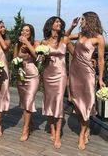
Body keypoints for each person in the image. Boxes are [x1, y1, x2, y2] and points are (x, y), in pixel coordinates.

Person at [68, 11, 105, 150]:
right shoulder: (79, 35)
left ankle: (82, 134)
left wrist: (100, 78)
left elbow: (101, 60)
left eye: (82, 19)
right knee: (77, 105)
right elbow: (65, 38)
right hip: (75, 72)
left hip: (88, 73)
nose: (81, 21)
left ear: (89, 20)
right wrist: (72, 26)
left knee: (87, 104)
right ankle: (86, 127)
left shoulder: (99, 38)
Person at [41, 16, 73, 149]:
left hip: (61, 75)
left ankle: (58, 134)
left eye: (60, 22)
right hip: (48, 74)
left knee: (59, 103)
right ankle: (52, 128)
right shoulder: (43, 42)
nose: (59, 23)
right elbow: (41, 62)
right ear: (50, 25)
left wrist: (89, 61)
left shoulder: (65, 39)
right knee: (49, 102)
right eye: (56, 22)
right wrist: (41, 57)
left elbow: (76, 55)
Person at [13, 23, 39, 141]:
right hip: (21, 75)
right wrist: (17, 64)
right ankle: (30, 123)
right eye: (23, 30)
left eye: (27, 31)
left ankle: (25, 129)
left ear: (31, 33)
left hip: (32, 74)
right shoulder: (17, 45)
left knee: (29, 100)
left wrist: (28, 44)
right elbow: (13, 60)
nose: (24, 32)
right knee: (24, 102)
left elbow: (36, 56)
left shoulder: (35, 43)